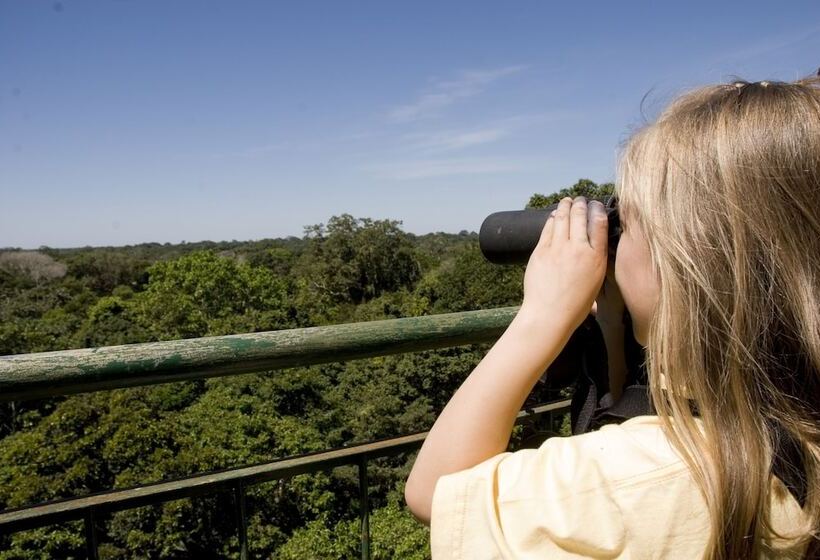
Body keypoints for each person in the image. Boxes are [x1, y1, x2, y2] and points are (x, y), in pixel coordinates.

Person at [404, 74, 820, 559]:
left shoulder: (650, 483)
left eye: (629, 222)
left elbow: (437, 492)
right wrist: (611, 328)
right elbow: (640, 413)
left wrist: (543, 316)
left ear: (683, 266)